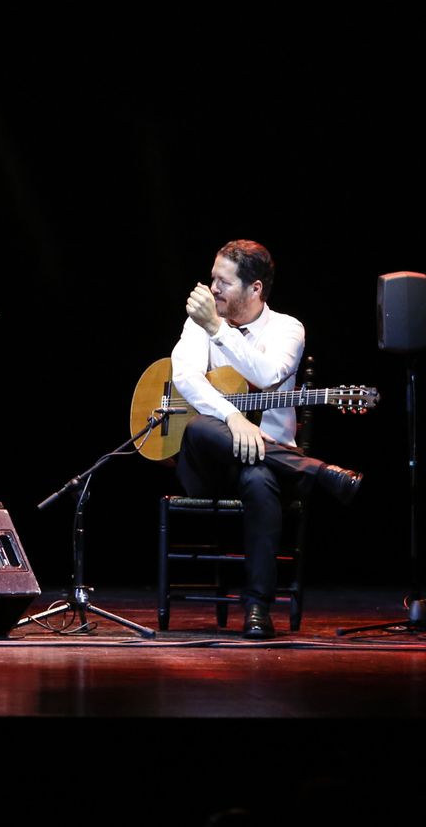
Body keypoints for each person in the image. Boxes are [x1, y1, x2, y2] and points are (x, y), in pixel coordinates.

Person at [170, 240, 362, 639]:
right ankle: (318, 472)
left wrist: (218, 330)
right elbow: (186, 378)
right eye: (213, 278)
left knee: (258, 478)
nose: (213, 288)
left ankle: (257, 607)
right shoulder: (199, 322)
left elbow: (269, 374)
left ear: (255, 288)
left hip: (266, 466)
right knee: (199, 427)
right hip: (210, 466)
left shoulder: (287, 329)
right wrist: (232, 417)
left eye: (223, 282)